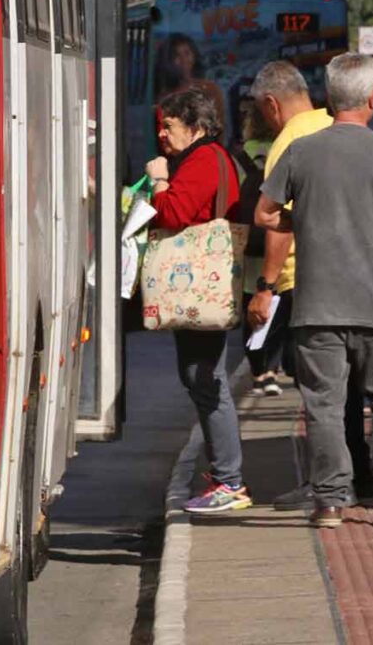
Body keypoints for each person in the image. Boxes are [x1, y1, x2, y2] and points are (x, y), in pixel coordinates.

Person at [255, 52, 373, 528]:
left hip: (318, 303)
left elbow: (265, 214)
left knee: (324, 403)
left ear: (329, 98)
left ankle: (331, 501)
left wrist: (307, 222)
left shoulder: (302, 151)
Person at [246, 61, 373, 510]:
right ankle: (360, 475)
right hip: (357, 276)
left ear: (270, 104)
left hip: (306, 282)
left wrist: (265, 287)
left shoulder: (288, 143)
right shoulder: (335, 125)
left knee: (320, 392)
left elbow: (279, 224)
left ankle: (329, 486)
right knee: (351, 390)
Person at [144, 89, 249, 514]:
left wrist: (158, 179)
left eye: (169, 126)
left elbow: (173, 213)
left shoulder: (204, 159)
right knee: (199, 377)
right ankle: (226, 477)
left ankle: (229, 481)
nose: (162, 135)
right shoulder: (212, 158)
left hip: (198, 288)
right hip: (201, 290)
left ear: (198, 127)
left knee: (208, 381)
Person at [234, 100, 281, 396]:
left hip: (247, 243)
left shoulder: (240, 158)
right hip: (277, 239)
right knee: (275, 303)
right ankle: (272, 369)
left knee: (250, 305)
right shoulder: (284, 151)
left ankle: (257, 370)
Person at [154, 34, 229, 144]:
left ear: (194, 55)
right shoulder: (163, 95)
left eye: (187, 53)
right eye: (177, 55)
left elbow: (219, 127)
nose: (184, 59)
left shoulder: (209, 89)